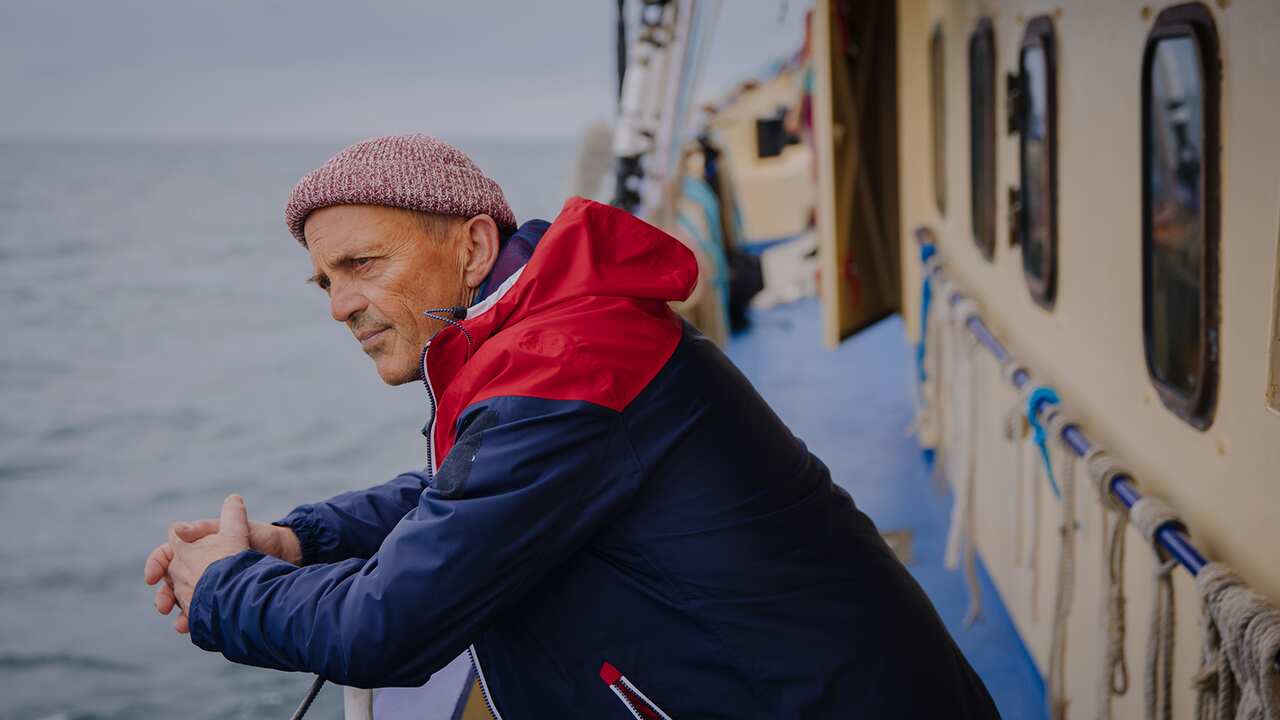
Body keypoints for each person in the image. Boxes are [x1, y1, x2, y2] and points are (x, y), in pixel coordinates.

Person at [143, 134, 1000, 719]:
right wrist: (300, 540)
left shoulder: (569, 361)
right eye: (324, 282)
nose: (339, 306)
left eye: (361, 264)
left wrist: (221, 586)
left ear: (474, 249)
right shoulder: (542, 340)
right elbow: (466, 489)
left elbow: (384, 628)